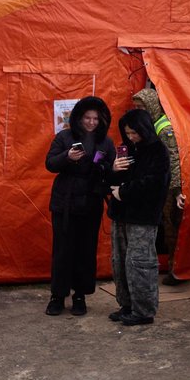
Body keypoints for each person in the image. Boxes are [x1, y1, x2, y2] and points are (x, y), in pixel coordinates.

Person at [44, 96, 115, 316]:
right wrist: (67, 156)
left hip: (90, 202)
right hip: (65, 202)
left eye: (95, 118)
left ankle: (80, 296)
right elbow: (50, 163)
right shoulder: (65, 137)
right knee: (63, 250)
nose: (92, 122)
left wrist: (105, 170)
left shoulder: (106, 142)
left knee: (85, 251)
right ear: (79, 118)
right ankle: (57, 296)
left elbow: (111, 171)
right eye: (87, 118)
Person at [106, 109, 170, 326]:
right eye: (128, 133)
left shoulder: (157, 151)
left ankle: (143, 310)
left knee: (140, 263)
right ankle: (126, 304)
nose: (131, 136)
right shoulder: (127, 148)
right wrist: (114, 169)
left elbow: (154, 184)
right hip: (121, 214)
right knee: (120, 261)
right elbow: (111, 178)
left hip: (143, 216)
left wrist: (123, 192)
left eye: (134, 132)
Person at [131, 88, 187, 286]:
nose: (139, 110)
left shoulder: (164, 128)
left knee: (170, 229)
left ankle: (174, 268)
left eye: (142, 106)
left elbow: (173, 160)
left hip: (168, 189)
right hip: (155, 186)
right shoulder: (148, 126)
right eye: (136, 107)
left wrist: (174, 190)